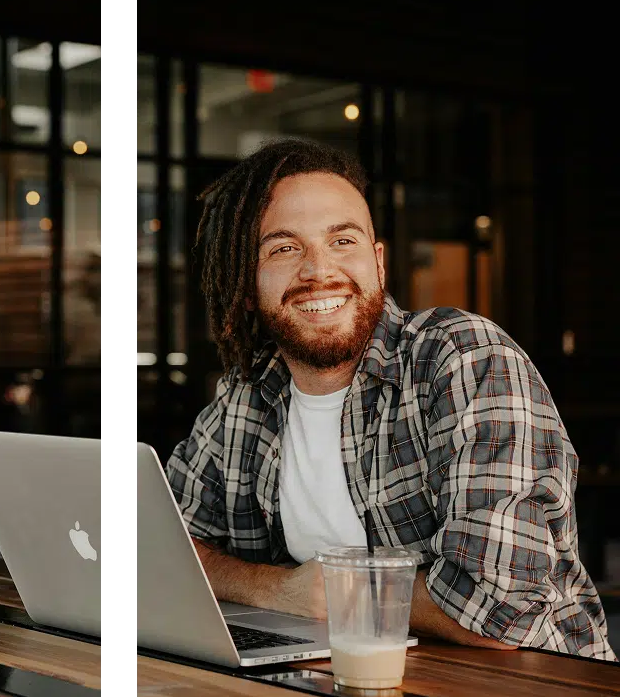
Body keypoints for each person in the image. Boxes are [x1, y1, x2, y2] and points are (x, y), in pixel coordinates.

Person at [166, 139, 616, 660]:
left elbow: (501, 609)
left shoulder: (463, 358)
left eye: (343, 241)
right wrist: (276, 591)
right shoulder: (247, 398)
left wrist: (338, 591)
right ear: (247, 283)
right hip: (344, 683)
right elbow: (166, 544)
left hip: (524, 688)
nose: (319, 271)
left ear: (377, 263)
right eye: (284, 248)